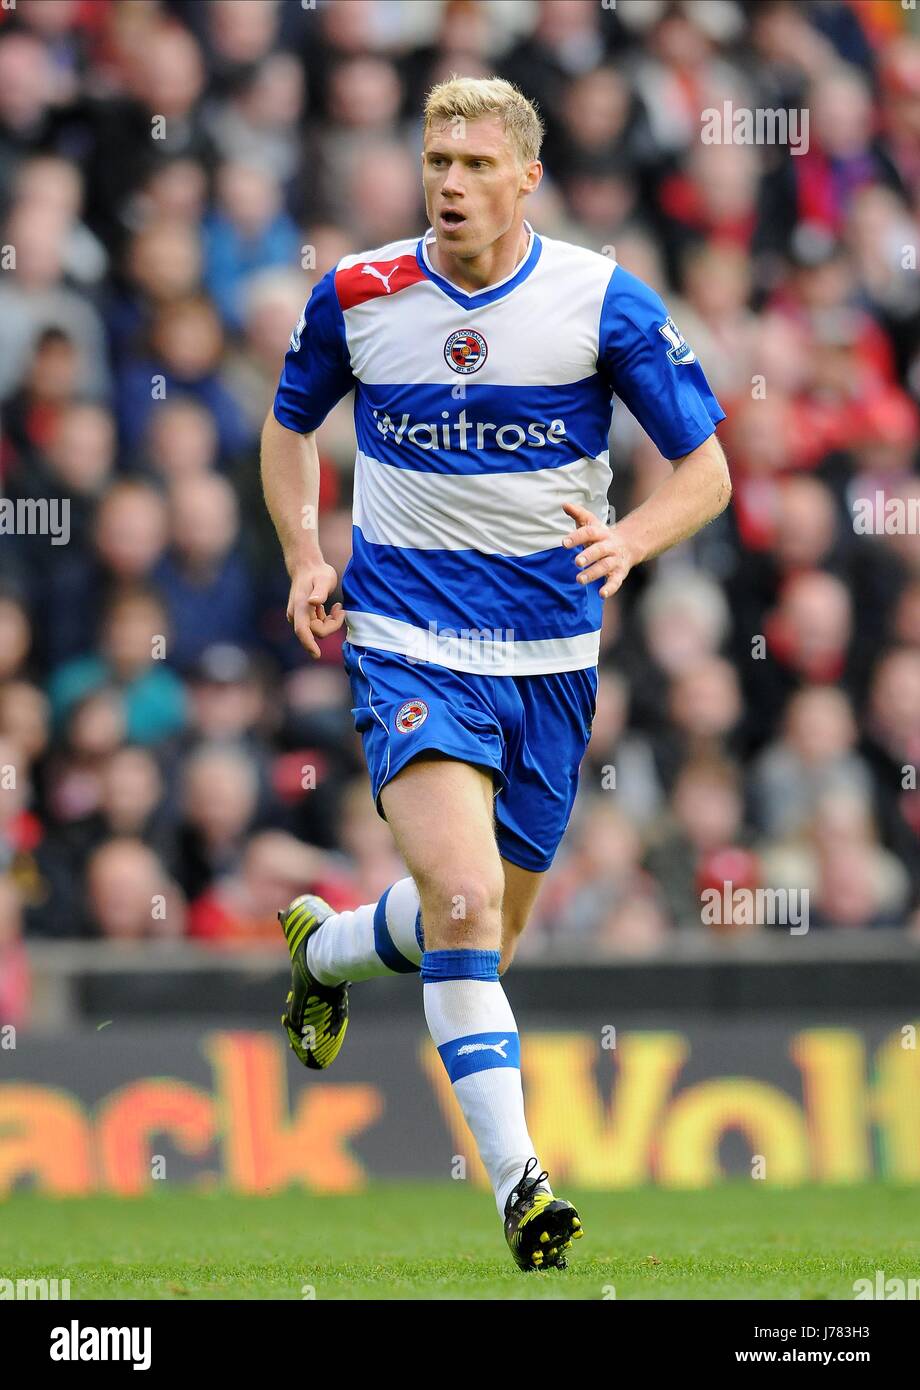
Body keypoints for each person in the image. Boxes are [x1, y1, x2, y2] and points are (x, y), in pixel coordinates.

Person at [260, 76, 729, 1272]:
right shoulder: (358, 293)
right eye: (435, 160)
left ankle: (325, 949)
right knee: (464, 905)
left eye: (474, 164)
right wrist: (306, 553)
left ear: (525, 176)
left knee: (483, 934)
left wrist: (631, 537)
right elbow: (287, 425)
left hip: (550, 659)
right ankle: (525, 1190)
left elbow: (705, 474)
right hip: (407, 637)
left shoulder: (599, 301)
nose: (450, 182)